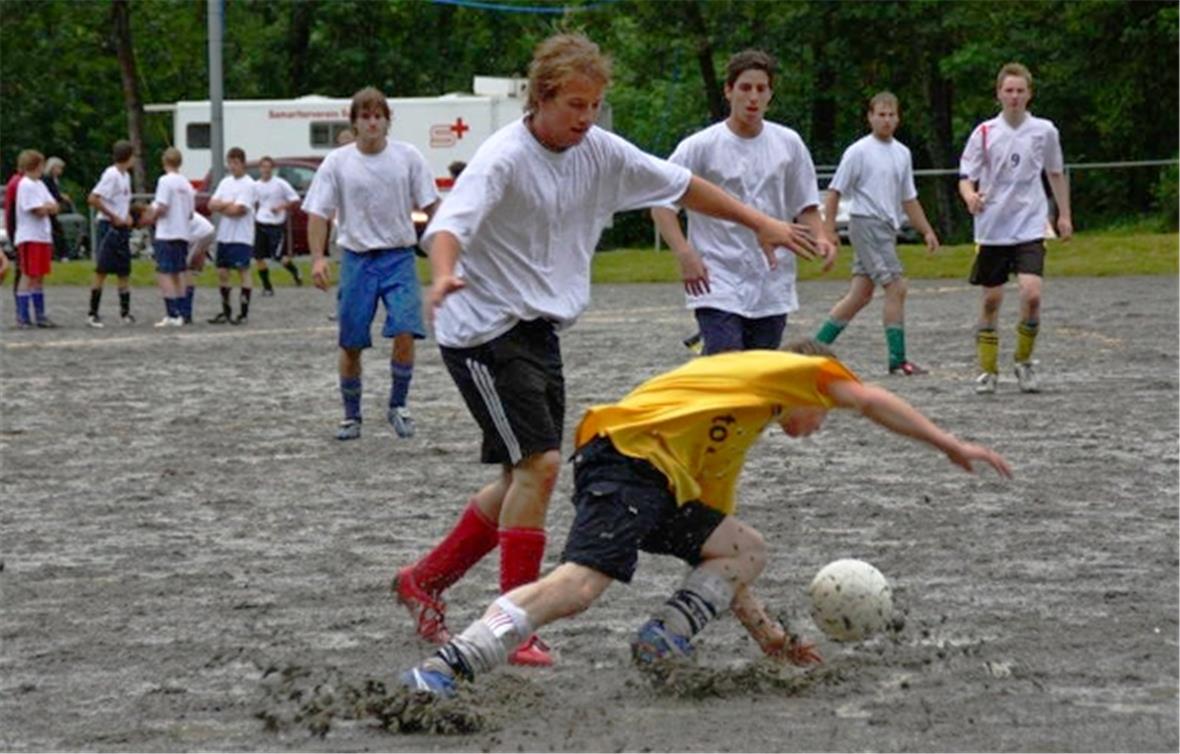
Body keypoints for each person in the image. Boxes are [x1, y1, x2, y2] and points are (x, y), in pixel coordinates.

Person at [393, 33, 823, 670]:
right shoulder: (505, 157)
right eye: (573, 104)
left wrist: (760, 222)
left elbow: (682, 186)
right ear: (540, 98)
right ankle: (514, 621)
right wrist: (445, 273)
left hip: (537, 330)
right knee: (538, 466)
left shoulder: (599, 151)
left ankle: (425, 581)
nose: (585, 118)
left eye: (594, 105)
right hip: (481, 329)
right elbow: (449, 224)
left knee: (519, 474)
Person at [400, 339, 1012, 695]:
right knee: (581, 585)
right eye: (826, 408)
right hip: (625, 457)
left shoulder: (730, 442)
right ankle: (452, 662)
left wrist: (772, 640)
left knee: (742, 547)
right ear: (814, 383)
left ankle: (661, 642)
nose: (824, 420)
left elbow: (723, 570)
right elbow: (871, 400)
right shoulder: (780, 371)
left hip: (655, 478)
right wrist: (950, 444)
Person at [653, 50, 837, 357]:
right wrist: (685, 254)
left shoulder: (788, 143)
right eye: (744, 88)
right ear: (728, 91)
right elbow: (662, 203)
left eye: (761, 89)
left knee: (758, 372)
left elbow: (804, 205)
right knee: (729, 366)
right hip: (716, 276)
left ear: (770, 95)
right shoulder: (700, 146)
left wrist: (820, 236)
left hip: (771, 279)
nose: (752, 97)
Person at [304, 86, 441, 441]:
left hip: (398, 256)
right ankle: (351, 415)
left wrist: (447, 244)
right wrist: (319, 258)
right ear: (354, 122)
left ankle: (399, 405)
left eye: (378, 116)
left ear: (387, 121)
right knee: (351, 342)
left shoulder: (408, 157)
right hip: (356, 259)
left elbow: (432, 208)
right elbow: (319, 213)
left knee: (406, 328)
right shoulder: (338, 162)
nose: (372, 123)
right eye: (365, 117)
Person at [959, 62, 1072, 395]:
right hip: (993, 227)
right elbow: (966, 177)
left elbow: (1054, 172)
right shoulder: (984, 133)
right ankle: (988, 369)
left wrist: (1063, 214)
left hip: (1030, 223)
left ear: (1029, 94)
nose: (1014, 97)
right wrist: (971, 198)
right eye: (1008, 90)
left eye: (1020, 90)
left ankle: (1024, 362)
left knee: (1031, 293)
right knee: (992, 299)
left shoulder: (1044, 131)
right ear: (998, 94)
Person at [813, 92, 941, 375]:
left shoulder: (902, 153)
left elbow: (909, 198)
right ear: (870, 117)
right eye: (880, 114)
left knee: (860, 294)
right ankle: (897, 360)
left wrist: (926, 230)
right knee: (896, 287)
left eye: (891, 114)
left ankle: (814, 349)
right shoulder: (859, 151)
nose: (886, 120)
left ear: (898, 118)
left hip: (886, 228)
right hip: (866, 223)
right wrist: (829, 229)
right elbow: (834, 193)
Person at [87, 140, 137, 328]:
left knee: (124, 270)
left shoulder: (126, 176)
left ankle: (125, 312)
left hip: (122, 227)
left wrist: (128, 215)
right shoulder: (111, 175)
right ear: (128, 156)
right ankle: (93, 313)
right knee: (102, 269)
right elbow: (94, 198)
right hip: (108, 226)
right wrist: (113, 216)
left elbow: (122, 202)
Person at [143, 147, 195, 327]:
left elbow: (163, 206)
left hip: (167, 232)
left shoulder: (165, 181)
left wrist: (152, 217)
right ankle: (182, 311)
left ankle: (171, 313)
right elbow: (190, 213)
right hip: (182, 231)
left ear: (164, 162)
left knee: (164, 273)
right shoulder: (187, 184)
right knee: (179, 272)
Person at [207, 147, 257, 325]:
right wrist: (226, 205)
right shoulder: (225, 182)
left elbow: (239, 210)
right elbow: (211, 204)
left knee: (243, 271)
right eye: (230, 163)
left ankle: (243, 313)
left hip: (241, 235)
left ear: (243, 163)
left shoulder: (249, 184)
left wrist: (223, 206)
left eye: (236, 163)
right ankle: (226, 310)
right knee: (222, 271)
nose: (233, 167)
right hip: (225, 235)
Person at [12, 150, 60, 328]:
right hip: (29, 236)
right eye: (40, 164)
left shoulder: (39, 184)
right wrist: (47, 207)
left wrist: (48, 207)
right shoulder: (26, 185)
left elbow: (54, 205)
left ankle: (39, 314)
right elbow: (37, 210)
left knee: (39, 275)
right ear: (34, 165)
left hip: (42, 236)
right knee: (28, 274)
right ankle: (23, 316)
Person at [252, 156, 303, 293]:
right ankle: (267, 286)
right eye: (263, 167)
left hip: (276, 223)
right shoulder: (256, 185)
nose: (266, 170)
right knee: (258, 256)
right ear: (260, 169)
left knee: (277, 256)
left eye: (268, 167)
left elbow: (295, 199)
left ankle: (295, 271)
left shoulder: (280, 184)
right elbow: (254, 202)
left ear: (272, 169)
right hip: (261, 222)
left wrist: (281, 207)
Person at [181, 212, 216, 325]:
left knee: (187, 269)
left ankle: (185, 313)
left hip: (200, 233)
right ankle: (185, 311)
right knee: (189, 269)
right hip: (202, 231)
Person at [43, 157, 73, 261]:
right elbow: (51, 194)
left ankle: (60, 253)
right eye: (59, 168)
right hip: (49, 209)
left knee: (56, 231)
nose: (60, 171)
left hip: (53, 208)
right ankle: (62, 254)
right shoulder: (47, 179)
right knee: (57, 232)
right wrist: (61, 197)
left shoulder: (53, 180)